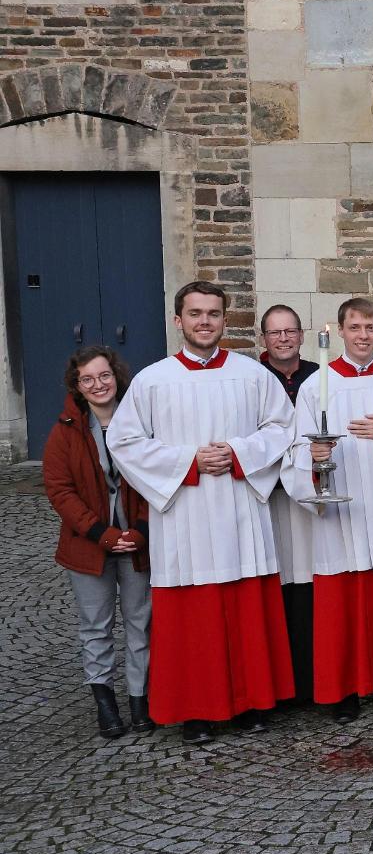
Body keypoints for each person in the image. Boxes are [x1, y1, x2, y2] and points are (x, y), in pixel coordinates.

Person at [107, 282, 295, 743]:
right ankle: (196, 709)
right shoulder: (153, 380)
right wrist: (189, 461)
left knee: (245, 606)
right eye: (195, 313)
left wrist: (238, 452)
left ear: (225, 321)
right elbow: (124, 443)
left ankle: (252, 701)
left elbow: (283, 426)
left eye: (213, 313)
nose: (205, 321)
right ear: (178, 321)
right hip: (185, 517)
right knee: (193, 618)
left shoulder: (253, 375)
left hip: (239, 510)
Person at [284, 299, 373, 723]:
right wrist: (313, 453)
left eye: (369, 327)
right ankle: (342, 689)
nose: (362, 335)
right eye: (354, 327)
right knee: (340, 602)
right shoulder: (316, 385)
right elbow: (292, 450)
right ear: (341, 331)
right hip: (340, 507)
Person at [43, 346, 151, 739]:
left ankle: (141, 699)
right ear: (77, 385)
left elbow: (154, 477)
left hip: (137, 541)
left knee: (141, 622)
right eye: (87, 379)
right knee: (96, 626)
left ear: (116, 376)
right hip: (88, 545)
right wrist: (101, 534)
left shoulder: (141, 421)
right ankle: (105, 702)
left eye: (104, 376)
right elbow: (59, 490)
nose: (98, 384)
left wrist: (140, 530)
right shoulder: (65, 430)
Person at [256, 303, 320, 701]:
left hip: (310, 497)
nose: (283, 338)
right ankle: (281, 682)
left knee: (310, 586)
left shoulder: (318, 376)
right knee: (277, 586)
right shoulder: (252, 378)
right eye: (275, 332)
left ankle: (312, 677)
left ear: (301, 334)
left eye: (290, 331)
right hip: (269, 497)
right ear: (264, 339)